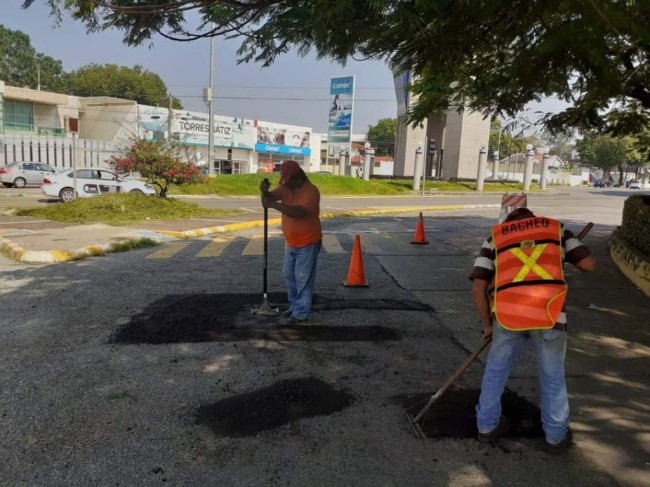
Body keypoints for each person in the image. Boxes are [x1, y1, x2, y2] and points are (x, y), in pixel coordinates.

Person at [469, 207, 596, 453]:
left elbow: (478, 287)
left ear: (509, 222)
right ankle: (556, 437)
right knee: (552, 375)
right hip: (549, 315)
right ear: (534, 219)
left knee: (495, 372)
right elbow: (589, 265)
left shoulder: (495, 237)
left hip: (507, 317)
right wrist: (562, 256)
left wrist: (487, 324)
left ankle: (486, 427)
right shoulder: (557, 230)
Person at [260, 161, 322, 325]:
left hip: (308, 242)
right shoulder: (287, 188)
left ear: (298, 177)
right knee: (289, 275)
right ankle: (295, 306)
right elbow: (269, 198)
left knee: (302, 278)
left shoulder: (311, 191)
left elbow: (299, 212)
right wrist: (264, 192)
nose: (285, 184)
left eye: (288, 180)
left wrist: (273, 205)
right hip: (291, 242)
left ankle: (300, 313)